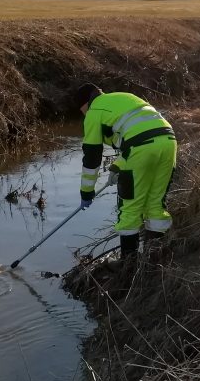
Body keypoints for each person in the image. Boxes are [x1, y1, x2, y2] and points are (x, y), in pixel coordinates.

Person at [72, 83, 177, 260]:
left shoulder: (93, 113)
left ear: (84, 104)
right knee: (156, 203)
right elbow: (137, 134)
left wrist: (86, 192)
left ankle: (129, 265)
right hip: (168, 142)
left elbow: (92, 158)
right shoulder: (123, 97)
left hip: (140, 148)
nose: (83, 115)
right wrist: (117, 166)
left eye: (81, 110)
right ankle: (155, 260)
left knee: (129, 209)